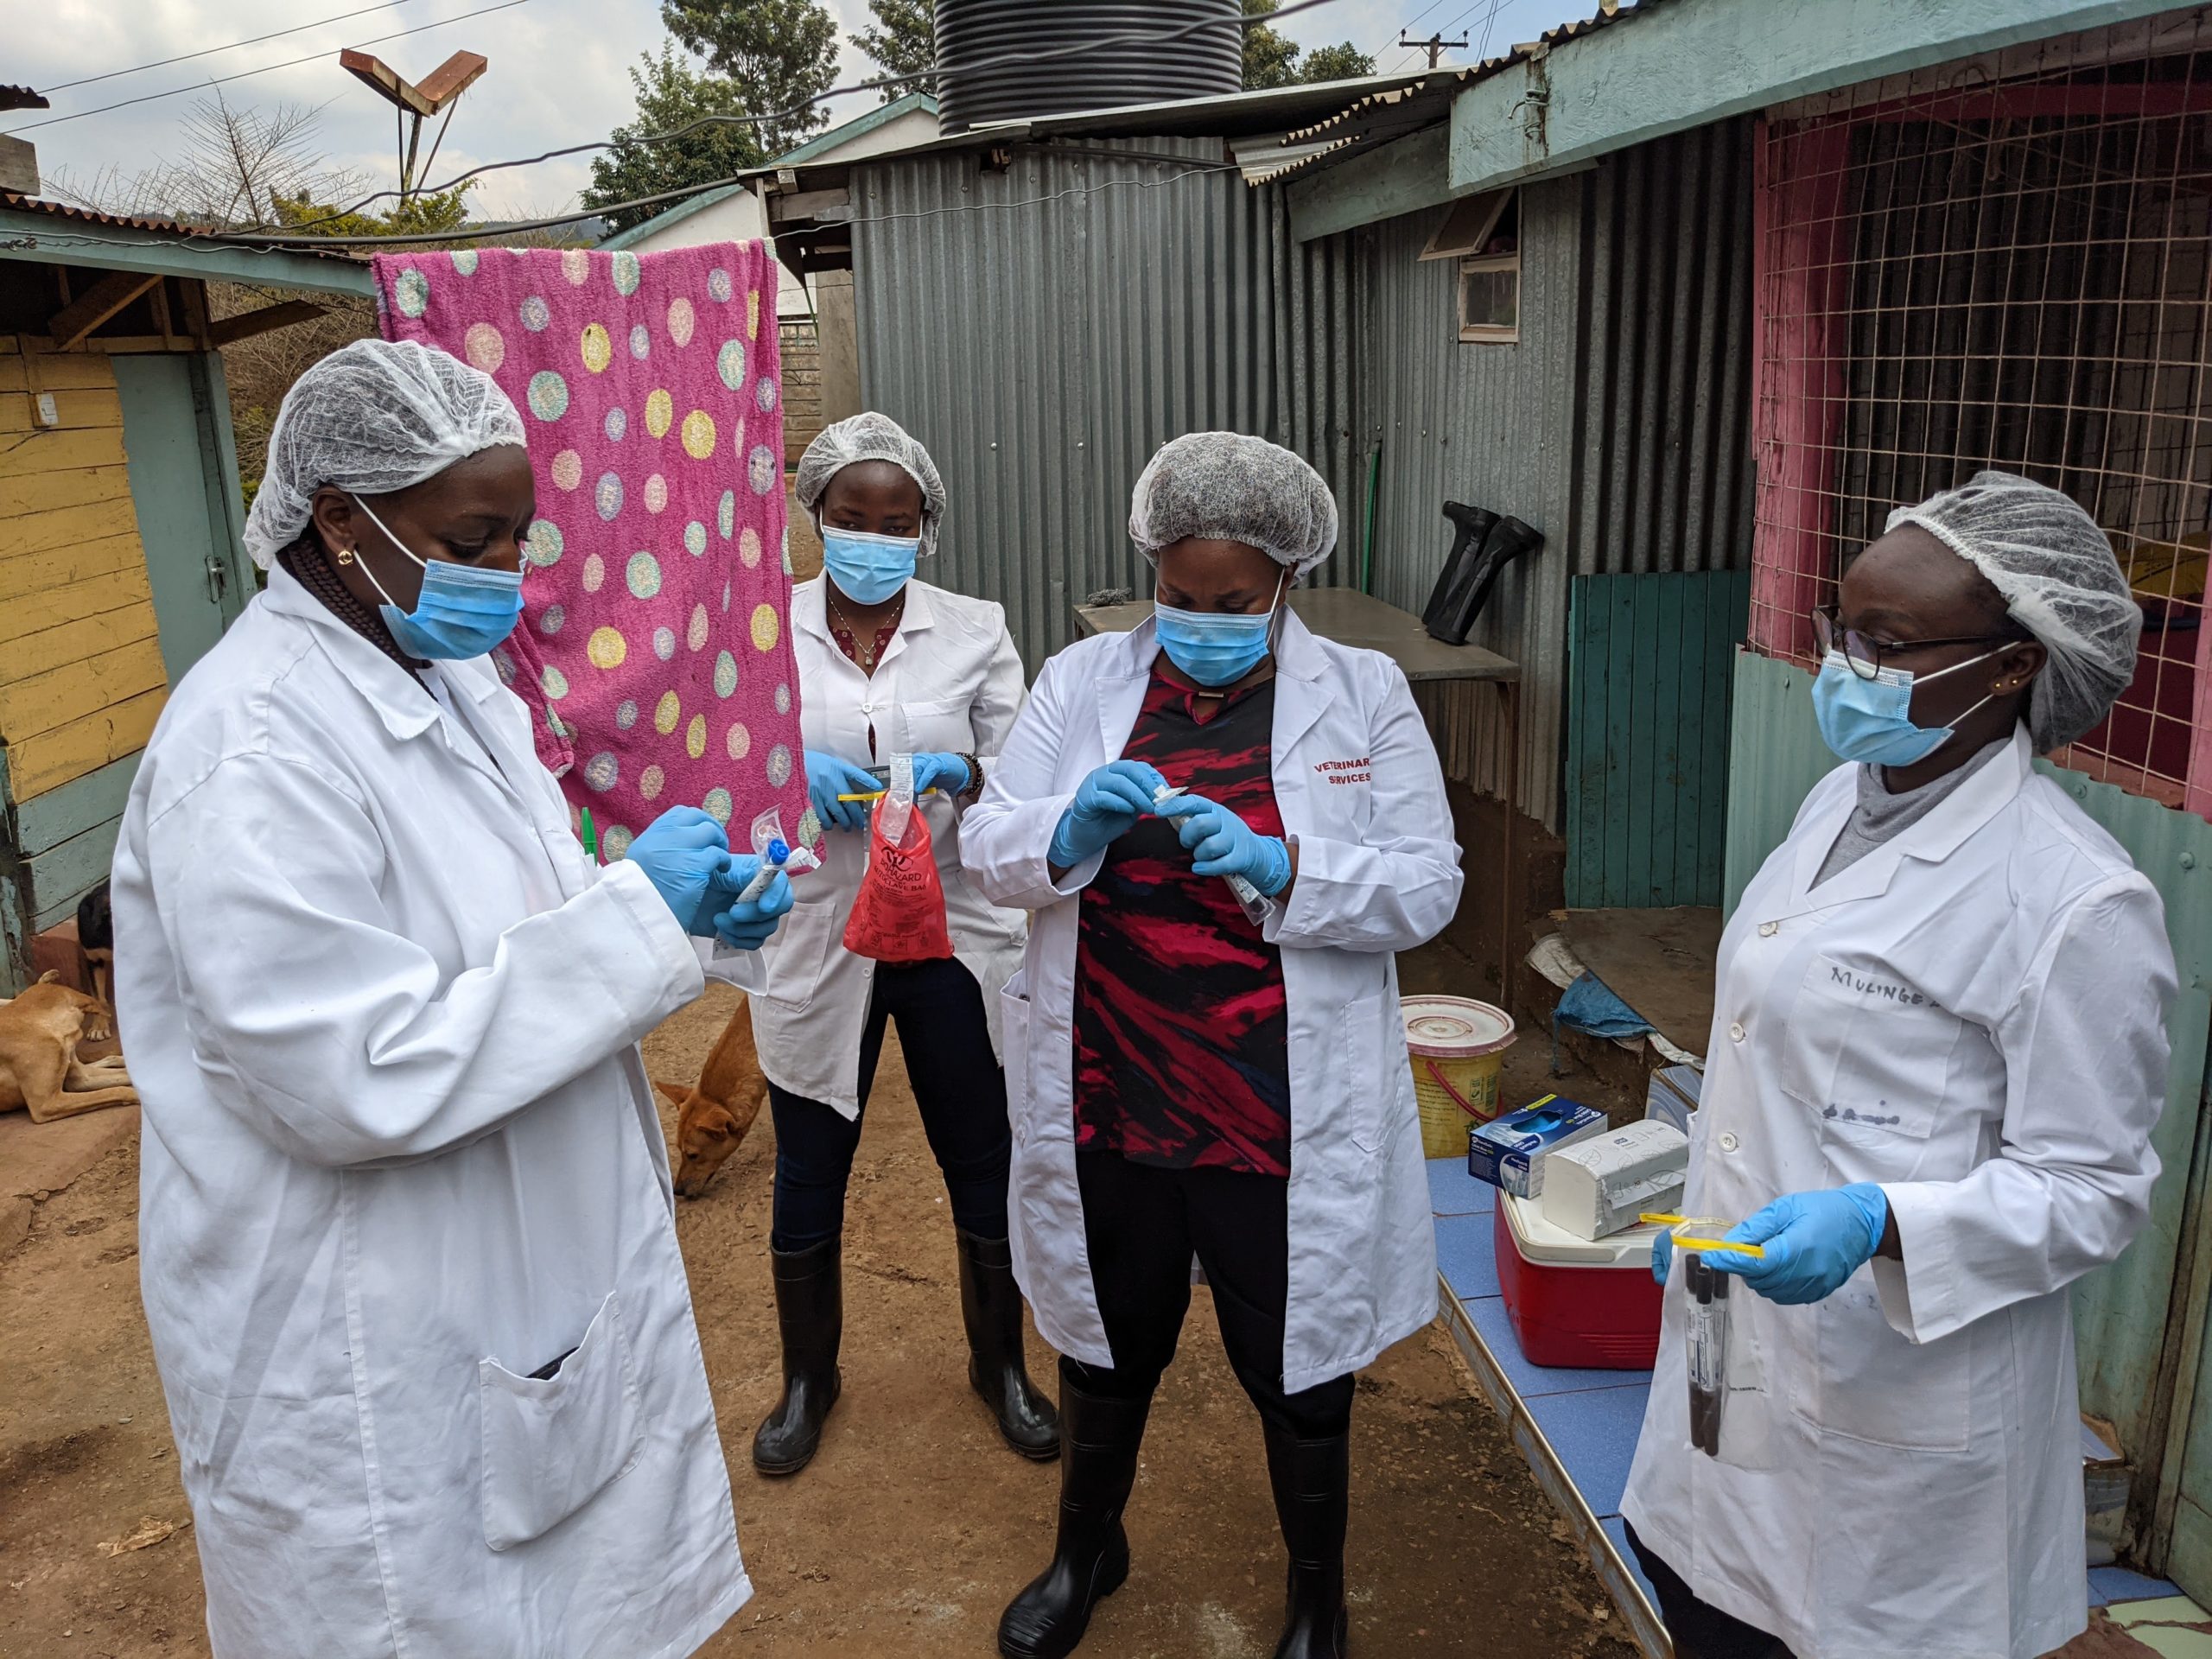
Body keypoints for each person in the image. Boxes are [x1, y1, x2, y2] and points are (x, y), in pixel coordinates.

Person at [110, 339, 793, 1659]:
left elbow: (508, 919)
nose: (503, 576)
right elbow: (355, 1071)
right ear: (339, 521)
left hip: (525, 1271)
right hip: (369, 1328)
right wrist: (632, 919)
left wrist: (674, 914)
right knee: (419, 1613)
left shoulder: (445, 677)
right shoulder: (252, 751)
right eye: (472, 538)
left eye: (517, 538)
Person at [1620, 472, 2177, 1659]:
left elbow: (2093, 1191)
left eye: (1892, 642)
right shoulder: (1838, 800)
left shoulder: (2076, 902)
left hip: (1895, 1414)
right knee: (1706, 1602)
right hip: (1736, 1349)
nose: (1846, 664)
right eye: (1843, 627)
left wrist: (1882, 1221)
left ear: (2014, 666)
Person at [963, 432, 1465, 1659]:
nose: (1200, 621)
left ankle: (1315, 1598)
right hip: (1110, 1084)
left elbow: (1429, 883)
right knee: (1107, 1337)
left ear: (1285, 578)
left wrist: (1294, 867)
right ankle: (1086, 1551)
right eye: (1177, 597)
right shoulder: (1083, 683)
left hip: (1275, 1103)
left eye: (1232, 604)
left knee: (1291, 1361)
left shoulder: (1364, 693)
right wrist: (1066, 827)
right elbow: (988, 844)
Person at [747, 410, 1054, 1476]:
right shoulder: (756, 628)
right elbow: (724, 779)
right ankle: (808, 1378)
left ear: (926, 523)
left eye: (897, 519)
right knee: (809, 1159)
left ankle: (999, 1364)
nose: (872, 535)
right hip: (818, 932)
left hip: (951, 933)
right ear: (814, 515)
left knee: (980, 1149)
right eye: (849, 516)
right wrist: (788, 782)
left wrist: (966, 775)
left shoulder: (974, 629)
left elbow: (1022, 780)